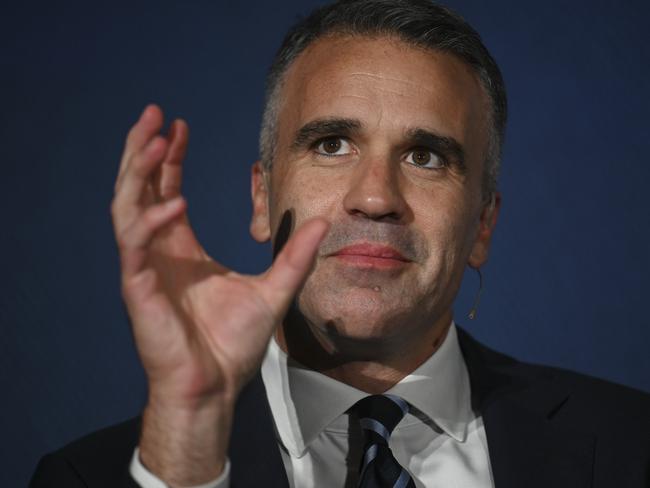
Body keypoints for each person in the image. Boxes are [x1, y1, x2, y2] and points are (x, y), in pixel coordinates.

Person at [30, 0, 650, 487]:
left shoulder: (630, 447)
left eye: (426, 155)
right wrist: (189, 439)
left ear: (482, 225)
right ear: (262, 197)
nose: (376, 197)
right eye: (331, 145)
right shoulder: (89, 478)